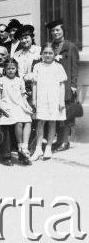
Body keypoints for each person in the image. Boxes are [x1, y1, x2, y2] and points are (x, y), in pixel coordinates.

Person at [31, 43, 67, 161]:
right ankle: (38, 148)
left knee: (52, 122)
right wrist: (34, 99)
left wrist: (61, 101)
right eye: (45, 53)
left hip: (54, 98)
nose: (47, 55)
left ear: (54, 54)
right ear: (41, 54)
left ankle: (48, 147)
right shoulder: (37, 66)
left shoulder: (58, 67)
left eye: (50, 53)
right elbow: (34, 84)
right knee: (40, 122)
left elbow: (62, 85)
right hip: (41, 98)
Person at [47, 19, 79, 152]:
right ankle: (58, 140)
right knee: (56, 114)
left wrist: (73, 85)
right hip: (52, 85)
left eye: (57, 30)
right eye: (53, 31)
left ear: (63, 31)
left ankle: (65, 141)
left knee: (66, 115)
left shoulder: (70, 46)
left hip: (65, 86)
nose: (55, 32)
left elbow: (74, 67)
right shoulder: (50, 46)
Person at [0, 58, 33, 166]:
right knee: (9, 124)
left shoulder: (19, 80)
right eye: (8, 69)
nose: (11, 71)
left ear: (16, 69)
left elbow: (23, 96)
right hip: (6, 106)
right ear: (5, 69)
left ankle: (23, 148)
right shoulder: (1, 80)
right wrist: (2, 108)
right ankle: (6, 156)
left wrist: (27, 106)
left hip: (18, 105)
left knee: (27, 120)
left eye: (13, 68)